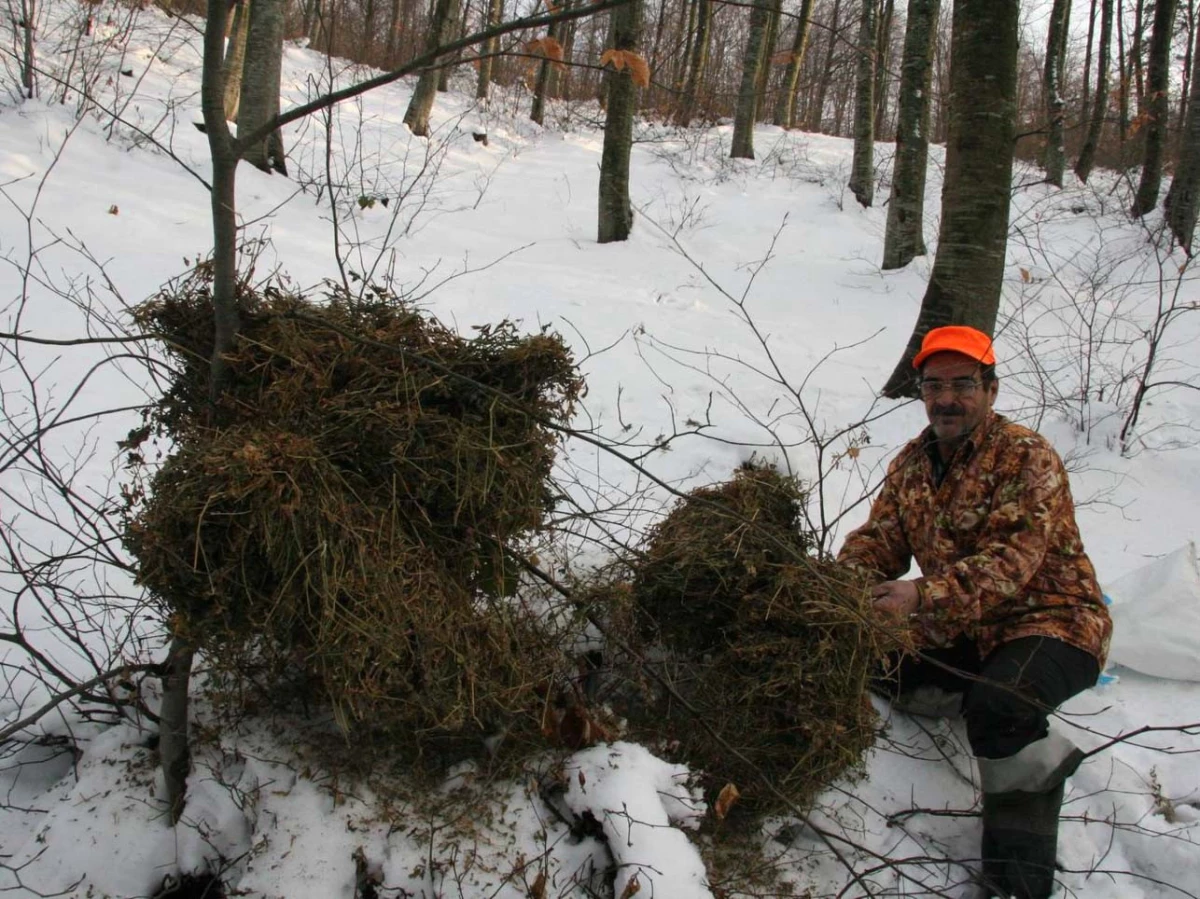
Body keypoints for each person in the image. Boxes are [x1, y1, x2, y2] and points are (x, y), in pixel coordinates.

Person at [837, 325, 1112, 899]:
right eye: (934, 385)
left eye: (963, 383)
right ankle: (978, 698)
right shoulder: (912, 462)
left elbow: (1014, 559)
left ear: (990, 389)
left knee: (1002, 706)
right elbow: (879, 540)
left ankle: (1018, 881)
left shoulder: (1025, 456)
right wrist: (843, 584)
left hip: (1051, 622)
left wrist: (920, 595)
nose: (947, 398)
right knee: (862, 660)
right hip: (962, 628)